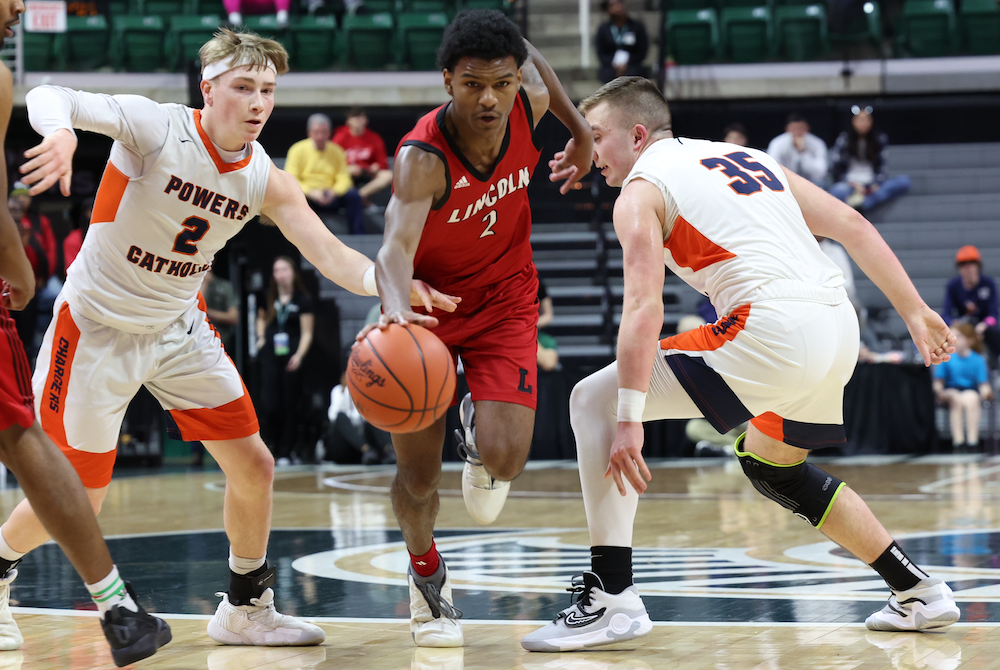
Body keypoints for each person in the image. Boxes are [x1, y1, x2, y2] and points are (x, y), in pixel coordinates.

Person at [9, 28, 456, 648]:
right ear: (209, 88)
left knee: (255, 465)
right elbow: (48, 91)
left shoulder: (263, 176)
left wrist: (392, 288)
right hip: (96, 329)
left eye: (267, 90)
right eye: (243, 87)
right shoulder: (156, 128)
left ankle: (245, 607)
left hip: (177, 328)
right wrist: (60, 132)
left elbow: (329, 254)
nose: (257, 102)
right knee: (82, 496)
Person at [522, 77, 960, 652]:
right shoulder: (746, 157)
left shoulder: (640, 191)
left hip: (769, 329)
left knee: (591, 400)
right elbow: (852, 224)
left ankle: (611, 599)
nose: (590, 150)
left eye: (595, 136)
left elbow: (642, 308)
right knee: (773, 467)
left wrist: (629, 416)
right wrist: (915, 310)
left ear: (635, 135)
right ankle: (919, 591)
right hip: (836, 327)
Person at [358, 9, 593, 647]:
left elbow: (539, 64)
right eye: (471, 84)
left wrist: (581, 133)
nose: (488, 98)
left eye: (501, 82)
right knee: (419, 479)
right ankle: (428, 581)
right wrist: (396, 307)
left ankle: (478, 437)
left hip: (507, 298)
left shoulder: (529, 100)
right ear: (447, 82)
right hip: (427, 312)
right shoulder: (421, 158)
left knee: (507, 458)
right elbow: (392, 251)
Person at [0, 2, 170, 663]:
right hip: (90, 318)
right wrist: (16, 261)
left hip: (152, 322)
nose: (20, 6)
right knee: (25, 439)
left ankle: (119, 607)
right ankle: (117, 609)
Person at [255, 256, 313, 465]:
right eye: (277, 270)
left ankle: (287, 451)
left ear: (293, 272)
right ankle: (272, 447)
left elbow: (307, 332)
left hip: (291, 356)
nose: (281, 274)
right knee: (270, 403)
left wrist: (299, 355)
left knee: (290, 403)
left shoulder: (302, 300)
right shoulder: (268, 297)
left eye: (284, 269)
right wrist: (261, 338)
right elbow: (261, 319)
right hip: (271, 355)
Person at [285, 113, 365, 234]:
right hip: (308, 196)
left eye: (324, 132)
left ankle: (358, 236)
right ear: (309, 132)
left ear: (329, 133)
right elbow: (291, 178)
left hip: (331, 194)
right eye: (316, 132)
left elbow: (344, 177)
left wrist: (334, 192)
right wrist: (311, 192)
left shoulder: (337, 151)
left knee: (354, 196)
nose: (320, 136)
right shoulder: (297, 150)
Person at [830, 105, 910, 212]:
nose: (863, 123)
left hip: (871, 185)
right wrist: (852, 183)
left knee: (904, 181)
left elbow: (883, 167)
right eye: (859, 119)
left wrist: (875, 184)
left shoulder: (879, 139)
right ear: (852, 121)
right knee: (837, 190)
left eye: (866, 119)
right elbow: (836, 168)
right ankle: (858, 204)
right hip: (850, 184)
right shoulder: (844, 140)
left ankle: (862, 205)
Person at [933, 322, 993, 452]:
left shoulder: (978, 359)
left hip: (968, 391)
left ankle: (972, 441)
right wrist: (939, 391)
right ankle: (958, 441)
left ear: (969, 340)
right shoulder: (947, 357)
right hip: (950, 391)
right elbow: (939, 382)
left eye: (959, 336)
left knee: (971, 398)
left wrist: (986, 392)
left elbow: (983, 384)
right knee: (956, 398)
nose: (954, 339)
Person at [324, 368, 394, 465]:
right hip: (344, 446)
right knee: (341, 416)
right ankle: (366, 450)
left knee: (372, 418)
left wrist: (357, 395)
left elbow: (363, 416)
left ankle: (389, 451)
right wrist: (346, 393)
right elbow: (332, 416)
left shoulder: (364, 392)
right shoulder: (337, 391)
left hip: (362, 441)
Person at [943, 245, 999, 366]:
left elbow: (993, 314)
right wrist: (955, 324)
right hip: (963, 325)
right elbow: (946, 314)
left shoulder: (988, 284)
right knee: (949, 336)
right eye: (963, 265)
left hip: (984, 327)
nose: (968, 268)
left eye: (971, 264)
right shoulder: (953, 286)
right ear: (959, 268)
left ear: (978, 266)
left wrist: (984, 325)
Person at [332, 107, 394, 205]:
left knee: (387, 175)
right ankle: (361, 202)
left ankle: (360, 196)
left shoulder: (374, 138)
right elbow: (332, 162)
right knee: (342, 175)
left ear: (366, 120)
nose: (358, 121)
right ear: (348, 121)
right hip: (349, 174)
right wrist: (347, 167)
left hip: (367, 173)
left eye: (361, 117)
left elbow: (383, 162)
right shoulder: (340, 137)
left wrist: (376, 166)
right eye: (354, 117)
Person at [766, 113, 828, 186]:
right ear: (787, 129)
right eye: (794, 129)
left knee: (820, 183)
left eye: (800, 128)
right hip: (786, 182)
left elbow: (821, 173)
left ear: (807, 128)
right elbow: (772, 169)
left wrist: (803, 152)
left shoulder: (817, 143)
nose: (798, 132)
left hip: (810, 183)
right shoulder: (777, 144)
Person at [595, 0, 649, 84]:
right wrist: (613, 63)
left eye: (619, 3)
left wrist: (629, 62)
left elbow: (642, 50)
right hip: (611, 65)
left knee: (634, 74)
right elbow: (601, 52)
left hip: (632, 63)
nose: (618, 7)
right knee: (607, 74)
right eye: (613, 5)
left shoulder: (636, 27)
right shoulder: (603, 29)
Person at [203, 266, 240, 352]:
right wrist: (204, 283)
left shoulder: (223, 286)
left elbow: (234, 317)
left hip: (220, 342)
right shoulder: (189, 286)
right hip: (196, 342)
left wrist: (207, 312)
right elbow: (194, 311)